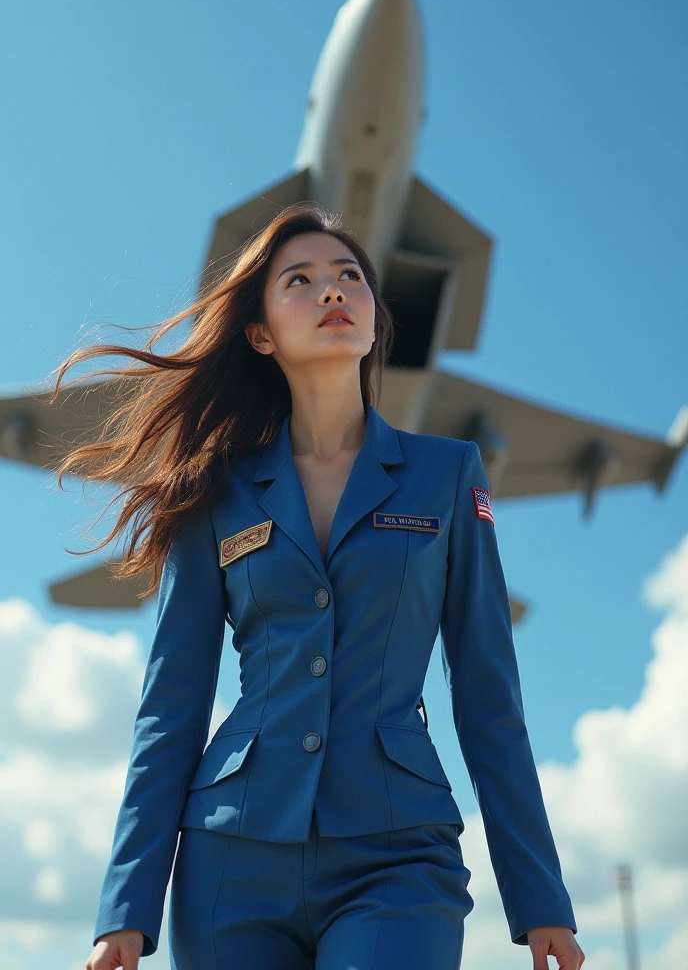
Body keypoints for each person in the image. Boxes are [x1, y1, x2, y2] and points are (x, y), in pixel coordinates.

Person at [53, 201, 584, 969]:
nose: (333, 291)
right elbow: (170, 708)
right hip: (229, 861)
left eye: (350, 278)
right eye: (299, 280)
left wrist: (540, 902)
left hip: (398, 857)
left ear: (374, 317)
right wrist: (126, 911)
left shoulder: (447, 474)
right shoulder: (211, 491)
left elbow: (488, 695)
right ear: (260, 332)